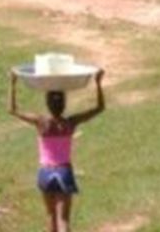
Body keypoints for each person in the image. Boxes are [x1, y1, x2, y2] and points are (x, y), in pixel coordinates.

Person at [8, 69, 105, 232]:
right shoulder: (70, 123)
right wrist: (98, 83)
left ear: (47, 104)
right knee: (63, 219)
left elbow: (12, 110)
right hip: (64, 171)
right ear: (64, 104)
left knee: (51, 218)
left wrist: (13, 83)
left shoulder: (41, 123)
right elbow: (99, 108)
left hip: (45, 172)